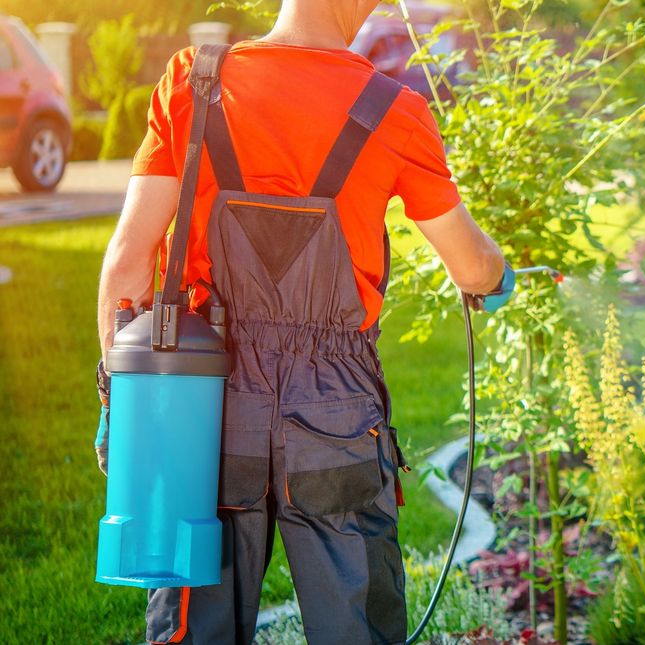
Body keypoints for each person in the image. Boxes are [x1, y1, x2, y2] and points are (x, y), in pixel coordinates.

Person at [93, 1, 507, 642]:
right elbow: (472, 267)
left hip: (206, 399)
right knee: (356, 628)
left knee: (195, 626)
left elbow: (126, 264)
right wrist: (495, 277)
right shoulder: (393, 109)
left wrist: (123, 410)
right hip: (335, 408)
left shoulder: (193, 82)